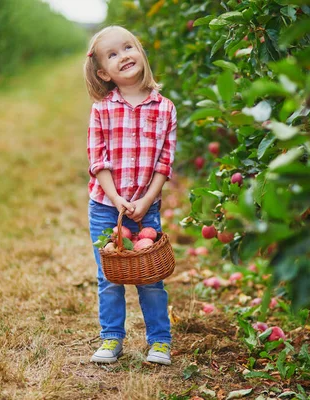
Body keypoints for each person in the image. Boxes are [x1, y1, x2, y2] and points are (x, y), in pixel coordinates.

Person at [83, 26, 177, 365]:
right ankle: (111, 338)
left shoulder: (165, 108)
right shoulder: (102, 111)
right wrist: (118, 199)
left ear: (140, 52)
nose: (123, 56)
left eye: (128, 47)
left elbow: (164, 163)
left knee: (150, 277)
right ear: (103, 73)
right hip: (108, 208)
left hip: (146, 207)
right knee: (110, 277)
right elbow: (99, 161)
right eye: (112, 54)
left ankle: (160, 341)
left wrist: (147, 200)